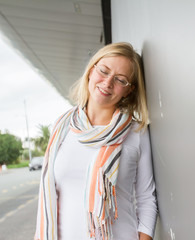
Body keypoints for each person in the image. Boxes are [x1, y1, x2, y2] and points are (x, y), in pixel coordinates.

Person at [34, 42, 158, 240]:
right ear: (91, 71)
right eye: (104, 71)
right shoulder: (62, 128)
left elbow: (146, 199)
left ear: (129, 90)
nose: (108, 83)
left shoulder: (137, 133)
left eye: (120, 80)